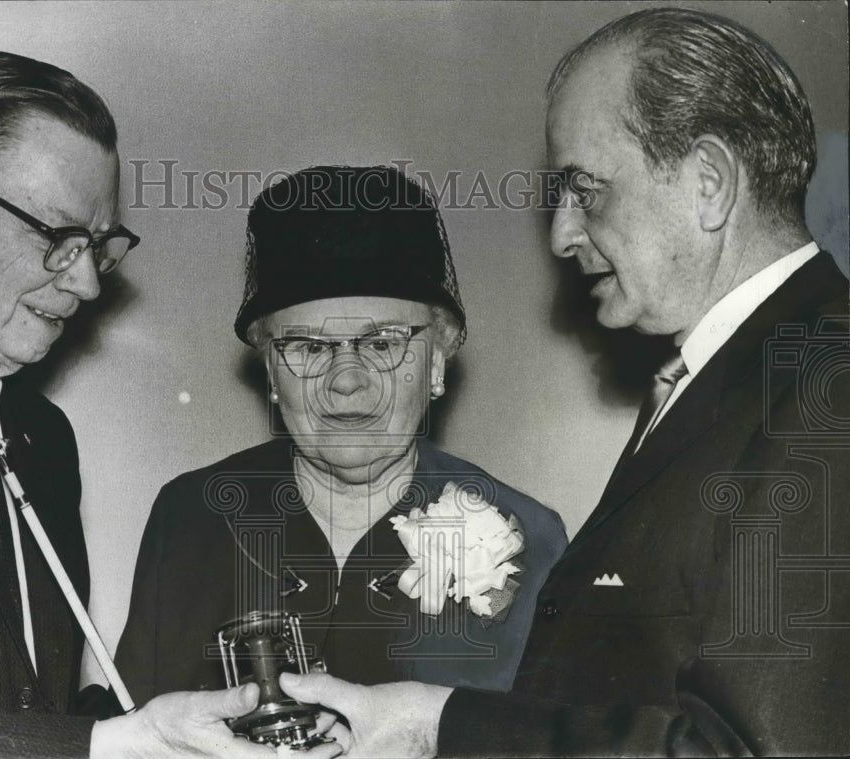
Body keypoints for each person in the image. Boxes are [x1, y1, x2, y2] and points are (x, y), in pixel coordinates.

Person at [279, 8, 850, 757]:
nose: (560, 234)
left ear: (709, 183)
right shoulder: (739, 373)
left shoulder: (825, 384)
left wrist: (438, 727)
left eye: (586, 190)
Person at [0, 52, 313, 759]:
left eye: (98, 246)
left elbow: (36, 708)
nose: (89, 283)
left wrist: (171, 729)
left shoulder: (41, 434)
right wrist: (104, 746)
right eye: (57, 237)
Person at [114, 166, 567, 713]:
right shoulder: (192, 517)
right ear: (271, 371)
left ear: (436, 362)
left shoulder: (527, 539)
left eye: (382, 344)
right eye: (308, 347)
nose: (346, 380)